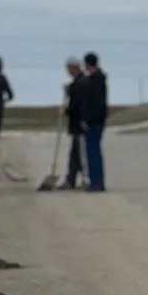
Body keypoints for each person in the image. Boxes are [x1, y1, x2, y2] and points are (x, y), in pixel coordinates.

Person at [80, 52, 109, 192]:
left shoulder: (94, 81)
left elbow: (93, 103)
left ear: (87, 64)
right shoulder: (98, 79)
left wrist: (87, 120)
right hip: (98, 119)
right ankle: (96, 180)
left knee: (93, 152)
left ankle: (96, 182)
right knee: (93, 151)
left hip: (94, 121)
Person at [60, 57, 86, 190]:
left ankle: (84, 179)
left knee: (80, 153)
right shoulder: (77, 82)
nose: (68, 71)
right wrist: (68, 90)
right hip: (75, 124)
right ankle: (71, 179)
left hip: (79, 123)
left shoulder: (81, 81)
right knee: (74, 153)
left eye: (69, 69)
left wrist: (66, 110)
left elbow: (77, 103)